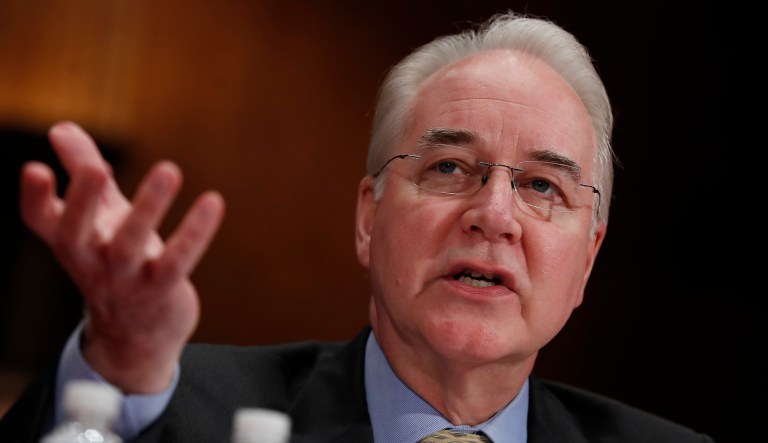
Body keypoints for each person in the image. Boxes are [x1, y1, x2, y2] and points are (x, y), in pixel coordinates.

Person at [0, 10, 714, 443]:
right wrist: (119, 366)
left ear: (587, 259)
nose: (494, 215)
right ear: (369, 217)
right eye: (449, 169)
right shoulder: (181, 409)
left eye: (541, 185)